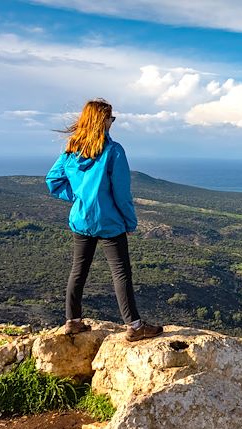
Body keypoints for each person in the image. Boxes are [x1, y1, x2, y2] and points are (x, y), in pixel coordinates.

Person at [45, 98, 163, 342]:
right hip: (109, 222)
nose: (112, 122)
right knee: (121, 273)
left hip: (81, 220)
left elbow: (53, 181)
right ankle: (135, 326)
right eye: (111, 118)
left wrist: (79, 199)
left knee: (79, 269)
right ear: (103, 120)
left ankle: (73, 321)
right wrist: (130, 222)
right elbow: (121, 193)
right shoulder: (113, 151)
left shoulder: (71, 150)